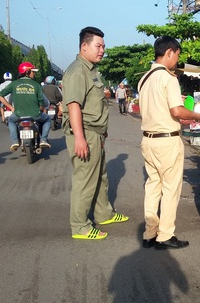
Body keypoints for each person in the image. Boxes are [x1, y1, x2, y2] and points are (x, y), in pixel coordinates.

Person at [138, 36, 200, 249]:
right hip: (167, 142)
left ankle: (150, 233)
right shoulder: (168, 79)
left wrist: (183, 117)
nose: (177, 61)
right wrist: (199, 116)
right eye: (177, 56)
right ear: (169, 52)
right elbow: (176, 110)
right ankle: (165, 235)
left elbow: (160, 110)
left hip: (148, 140)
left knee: (152, 187)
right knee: (170, 189)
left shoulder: (144, 79)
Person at [62, 26, 128, 240]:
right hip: (85, 133)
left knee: (100, 176)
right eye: (98, 46)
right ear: (84, 46)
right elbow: (73, 106)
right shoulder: (77, 71)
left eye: (103, 46)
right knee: (85, 179)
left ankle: (104, 213)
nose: (102, 50)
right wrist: (80, 138)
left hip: (95, 133)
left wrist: (102, 131)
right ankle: (80, 226)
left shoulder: (90, 69)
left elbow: (94, 104)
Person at [0, 62, 52, 151]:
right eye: (33, 71)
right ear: (27, 72)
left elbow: (0, 96)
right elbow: (41, 102)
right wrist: (41, 108)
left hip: (18, 114)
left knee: (11, 121)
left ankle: (15, 141)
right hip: (35, 115)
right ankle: (43, 139)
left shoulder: (14, 84)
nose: (34, 73)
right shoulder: (36, 85)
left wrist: (11, 108)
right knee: (47, 119)